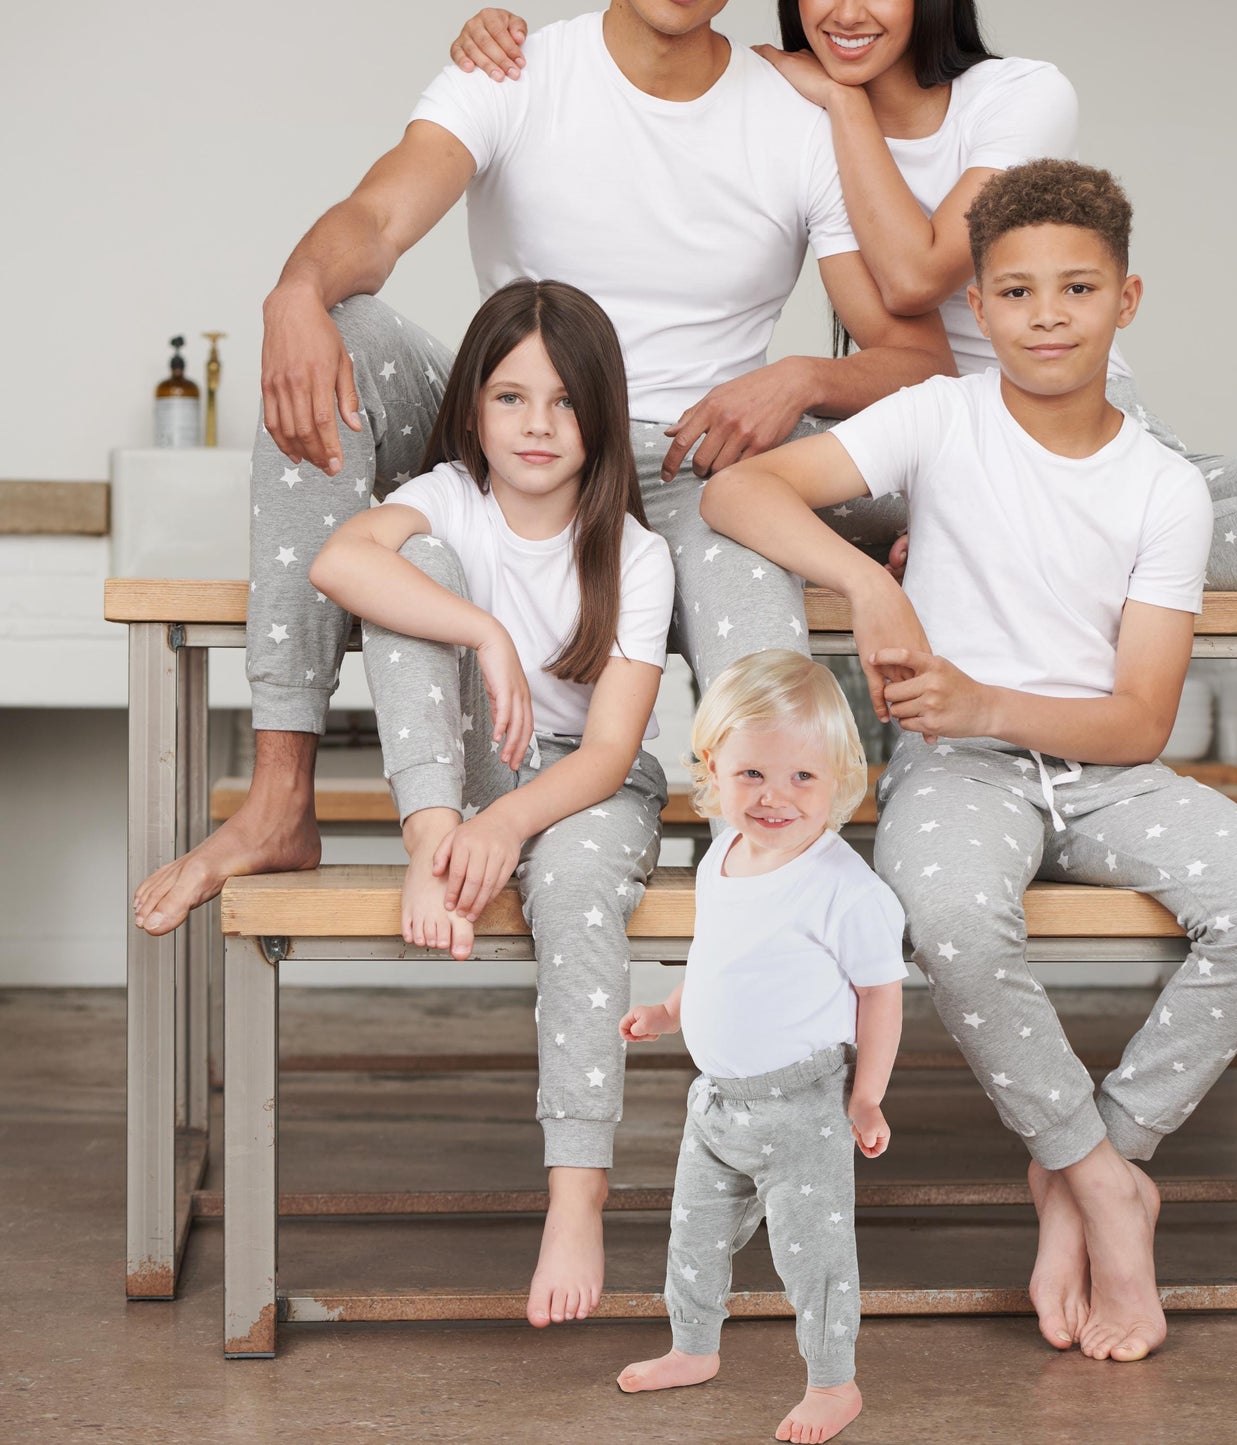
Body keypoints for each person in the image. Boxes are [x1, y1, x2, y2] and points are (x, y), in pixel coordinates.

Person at [131, 0, 952, 932]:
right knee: (343, 325)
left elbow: (918, 361)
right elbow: (378, 214)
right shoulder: (514, 70)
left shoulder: (794, 114)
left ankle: (776, 896)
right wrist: (295, 291)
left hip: (698, 461)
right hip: (510, 433)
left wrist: (798, 375)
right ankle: (280, 796)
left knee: (756, 552)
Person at [699, 160, 1237, 1363]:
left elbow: (1138, 718)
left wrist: (984, 690)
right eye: (1017, 291)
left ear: (1125, 300)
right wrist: (866, 579)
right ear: (976, 308)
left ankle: (1096, 1165)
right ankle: (1100, 1186)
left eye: (1076, 288)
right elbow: (738, 487)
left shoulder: (1161, 488)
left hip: (1103, 770)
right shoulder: (938, 418)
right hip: (959, 771)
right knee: (945, 915)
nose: (1045, 315)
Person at [452, 0, 1237, 588]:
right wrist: (499, 32)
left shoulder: (1017, 95)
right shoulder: (769, 105)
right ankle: (1009, 546)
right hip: (911, 441)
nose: (844, 13)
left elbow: (920, 270)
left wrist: (838, 101)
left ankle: (1047, 547)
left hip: (1063, 420)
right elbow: (635, 64)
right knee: (751, 495)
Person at [309, 278, 674, 1327]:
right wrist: (484, 632)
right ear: (472, 405)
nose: (537, 425)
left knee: (570, 890)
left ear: (600, 416)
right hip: (466, 772)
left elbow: (608, 751)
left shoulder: (635, 556)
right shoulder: (450, 500)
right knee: (406, 563)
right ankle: (425, 839)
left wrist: (510, 821)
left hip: (583, 786)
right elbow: (339, 559)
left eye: (564, 402)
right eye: (510, 398)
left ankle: (577, 1187)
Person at [615, 649, 904, 1445]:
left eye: (802, 778)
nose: (774, 797)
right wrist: (671, 1012)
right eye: (751, 775)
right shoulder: (722, 856)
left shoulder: (845, 889)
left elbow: (880, 994)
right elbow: (719, 958)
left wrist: (867, 1092)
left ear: (840, 774)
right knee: (693, 1233)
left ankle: (831, 1381)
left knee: (812, 1253)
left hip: (801, 1105)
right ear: (713, 765)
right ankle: (692, 1345)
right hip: (714, 1103)